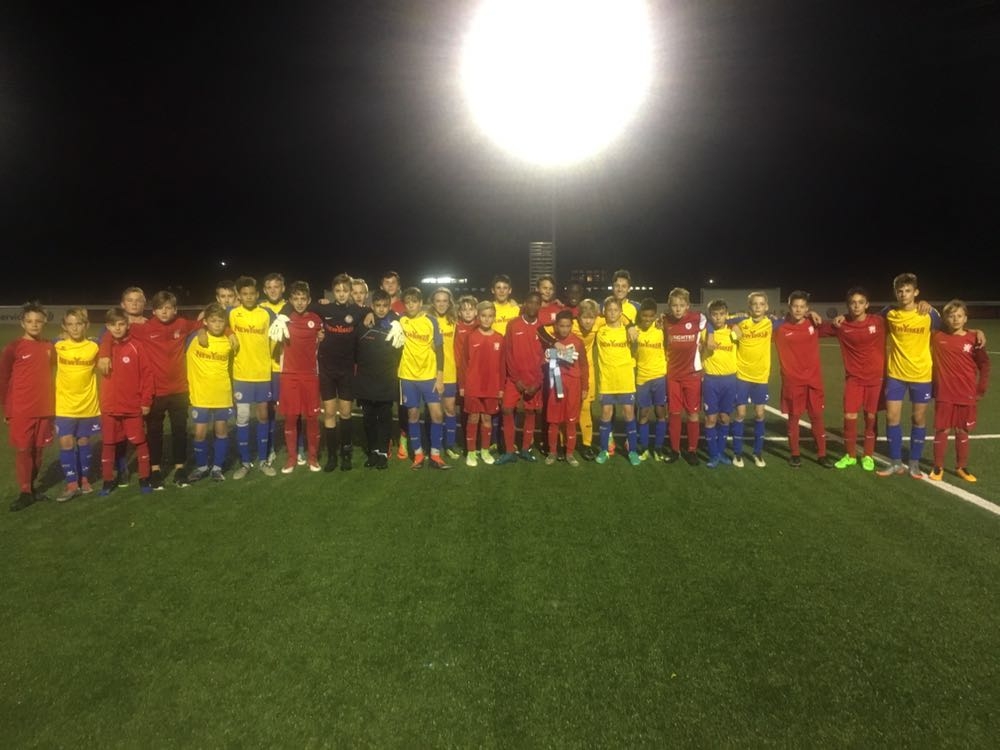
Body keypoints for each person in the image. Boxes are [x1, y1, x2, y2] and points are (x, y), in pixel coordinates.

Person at [125, 290, 203, 488]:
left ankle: (180, 468)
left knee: (180, 430)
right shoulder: (144, 328)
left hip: (179, 389)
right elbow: (111, 332)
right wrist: (104, 354)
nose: (164, 312)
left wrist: (224, 332)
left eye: (168, 308)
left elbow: (207, 323)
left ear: (175, 310)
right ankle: (155, 469)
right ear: (153, 310)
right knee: (154, 432)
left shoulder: (182, 324)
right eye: (160, 308)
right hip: (155, 391)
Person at [875, 272, 941, 478]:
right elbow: (867, 322)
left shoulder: (929, 314)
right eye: (900, 291)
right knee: (892, 416)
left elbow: (950, 328)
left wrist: (977, 332)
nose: (903, 294)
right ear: (895, 293)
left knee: (918, 417)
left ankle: (914, 462)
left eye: (908, 291)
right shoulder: (889, 313)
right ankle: (896, 462)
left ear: (916, 292)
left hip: (921, 374)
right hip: (896, 374)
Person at [820, 287, 886, 471]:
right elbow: (815, 328)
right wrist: (810, 314)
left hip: (875, 380)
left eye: (860, 302)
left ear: (867, 305)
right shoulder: (841, 325)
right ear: (848, 305)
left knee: (871, 417)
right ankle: (850, 455)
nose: (856, 306)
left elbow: (900, 314)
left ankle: (868, 456)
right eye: (853, 303)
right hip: (854, 379)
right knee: (849, 416)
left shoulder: (879, 322)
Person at [0, 302, 56, 511]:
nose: (34, 325)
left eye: (38, 321)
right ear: (22, 323)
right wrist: (6, 408)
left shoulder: (49, 347)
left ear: (44, 323)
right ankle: (24, 492)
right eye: (30, 321)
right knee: (24, 450)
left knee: (39, 450)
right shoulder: (13, 347)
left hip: (45, 408)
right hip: (21, 409)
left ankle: (32, 488)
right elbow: (3, 379)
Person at [929, 299, 990, 482]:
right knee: (942, 430)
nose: (955, 319)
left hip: (966, 393)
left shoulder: (974, 339)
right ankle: (937, 466)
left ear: (965, 318)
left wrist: (980, 389)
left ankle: (961, 467)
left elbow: (984, 365)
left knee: (963, 430)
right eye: (951, 316)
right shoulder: (936, 336)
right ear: (945, 319)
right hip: (944, 394)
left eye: (959, 316)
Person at [311, 272, 367, 472]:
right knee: (329, 413)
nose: (342, 294)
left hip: (346, 371)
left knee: (345, 412)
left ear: (350, 291)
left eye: (345, 290)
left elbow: (375, 311)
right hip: (327, 370)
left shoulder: (358, 311)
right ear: (332, 292)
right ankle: (332, 456)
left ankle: (346, 454)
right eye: (338, 290)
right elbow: (298, 306)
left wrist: (372, 314)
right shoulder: (324, 308)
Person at [772, 291, 835, 468]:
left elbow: (838, 326)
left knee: (817, 417)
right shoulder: (779, 328)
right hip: (793, 383)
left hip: (814, 382)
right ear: (789, 307)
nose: (798, 310)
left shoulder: (813, 324)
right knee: (794, 418)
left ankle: (822, 454)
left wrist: (839, 318)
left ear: (807, 308)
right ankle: (795, 454)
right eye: (795, 306)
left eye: (802, 307)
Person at [97, 307, 154, 495]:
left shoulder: (137, 347)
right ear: (107, 326)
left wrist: (146, 401)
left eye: (121, 324)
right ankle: (107, 480)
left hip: (132, 406)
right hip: (109, 406)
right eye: (113, 325)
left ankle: (144, 477)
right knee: (108, 443)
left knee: (140, 442)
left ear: (128, 325)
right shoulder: (103, 348)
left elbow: (147, 375)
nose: (117, 328)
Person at [268, 281, 324, 473]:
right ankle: (291, 458)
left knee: (312, 418)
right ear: (290, 300)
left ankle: (313, 458)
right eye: (296, 299)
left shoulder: (316, 320)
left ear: (308, 300)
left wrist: (322, 336)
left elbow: (323, 337)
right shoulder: (284, 319)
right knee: (291, 417)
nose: (300, 302)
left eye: (303, 299)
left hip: (310, 375)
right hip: (289, 375)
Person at [229, 275, 277, 478]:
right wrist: (227, 331)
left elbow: (283, 324)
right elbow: (211, 320)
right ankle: (245, 462)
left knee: (263, 415)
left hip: (262, 373)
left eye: (252, 293)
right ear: (239, 295)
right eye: (244, 294)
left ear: (257, 294)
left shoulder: (266, 313)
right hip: (241, 374)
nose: (248, 297)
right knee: (242, 417)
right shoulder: (232, 313)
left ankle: (264, 459)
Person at [398, 287, 451, 469]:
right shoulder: (400, 320)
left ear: (420, 303)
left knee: (437, 415)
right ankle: (419, 455)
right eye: (407, 302)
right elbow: (381, 317)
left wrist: (440, 377)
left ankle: (435, 455)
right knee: (413, 414)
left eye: (414, 301)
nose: (411, 305)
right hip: (407, 376)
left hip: (429, 376)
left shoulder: (431, 321)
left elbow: (440, 350)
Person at [52, 307, 101, 502]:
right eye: (70, 324)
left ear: (86, 325)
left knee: (83, 442)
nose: (74, 328)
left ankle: (85, 479)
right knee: (66, 442)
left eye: (79, 324)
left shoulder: (95, 346)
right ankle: (72, 483)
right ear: (64, 326)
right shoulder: (57, 345)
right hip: (64, 405)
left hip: (88, 404)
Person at [185, 303, 235, 482]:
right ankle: (202, 467)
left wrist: (230, 333)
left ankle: (217, 468)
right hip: (200, 395)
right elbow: (182, 329)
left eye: (221, 321)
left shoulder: (229, 342)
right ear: (205, 322)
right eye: (213, 321)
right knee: (199, 433)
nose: (217, 324)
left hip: (222, 393)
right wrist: (200, 329)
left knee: (221, 431)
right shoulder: (194, 338)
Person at [355, 289, 403, 469]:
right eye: (378, 306)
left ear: (389, 306)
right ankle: (373, 451)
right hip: (366, 379)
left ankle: (383, 452)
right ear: (372, 306)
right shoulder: (363, 324)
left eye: (385, 306)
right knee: (368, 418)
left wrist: (396, 320)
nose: (381, 309)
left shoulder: (396, 325)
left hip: (386, 379)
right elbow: (355, 350)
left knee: (384, 417)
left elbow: (400, 352)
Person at [497, 291, 545, 464]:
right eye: (530, 302)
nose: (533, 306)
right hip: (514, 379)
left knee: (530, 412)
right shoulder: (513, 324)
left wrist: (537, 382)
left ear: (540, 306)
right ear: (525, 303)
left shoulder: (542, 328)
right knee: (507, 409)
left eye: (537, 303)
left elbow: (545, 358)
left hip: (534, 380)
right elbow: (508, 353)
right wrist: (515, 378)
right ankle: (510, 450)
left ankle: (525, 449)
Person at [663, 287, 706, 465]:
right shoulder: (665, 321)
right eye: (674, 305)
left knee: (692, 414)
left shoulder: (698, 318)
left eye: (681, 305)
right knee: (674, 413)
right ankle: (675, 450)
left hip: (692, 375)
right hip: (673, 375)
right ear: (669, 306)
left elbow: (715, 322)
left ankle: (692, 450)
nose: (678, 309)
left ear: (688, 305)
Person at [594, 297, 640, 465]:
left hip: (625, 379)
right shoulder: (600, 330)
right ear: (604, 312)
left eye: (615, 310)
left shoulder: (629, 331)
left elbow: (636, 349)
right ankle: (604, 450)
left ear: (621, 312)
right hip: (607, 381)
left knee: (629, 413)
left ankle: (632, 450)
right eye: (609, 310)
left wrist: (631, 328)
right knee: (606, 414)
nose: (612, 313)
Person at [461, 301, 505, 466]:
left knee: (487, 419)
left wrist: (501, 388)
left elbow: (502, 365)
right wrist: (462, 386)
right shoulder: (471, 337)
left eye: (490, 316)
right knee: (473, 418)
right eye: (483, 316)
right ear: (478, 317)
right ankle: (471, 452)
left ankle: (485, 450)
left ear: (494, 317)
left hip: (491, 386)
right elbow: (464, 363)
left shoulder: (499, 338)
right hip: (473, 386)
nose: (487, 319)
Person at [543, 309, 588, 467]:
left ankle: (569, 453)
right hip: (556, 384)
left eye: (567, 326)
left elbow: (584, 365)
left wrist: (585, 387)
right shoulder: (550, 340)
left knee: (571, 421)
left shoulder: (577, 342)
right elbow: (540, 331)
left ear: (571, 326)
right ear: (556, 326)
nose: (564, 329)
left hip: (573, 385)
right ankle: (552, 452)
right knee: (554, 421)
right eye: (561, 326)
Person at [700, 299, 738, 468]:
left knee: (724, 417)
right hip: (711, 381)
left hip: (730, 380)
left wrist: (734, 323)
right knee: (711, 418)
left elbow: (747, 320)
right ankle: (713, 454)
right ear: (710, 316)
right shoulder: (704, 333)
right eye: (714, 314)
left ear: (726, 315)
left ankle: (721, 452)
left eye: (721, 314)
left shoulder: (733, 332)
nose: (718, 318)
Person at [634, 298, 667, 461]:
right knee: (643, 414)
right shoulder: (635, 331)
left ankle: (658, 448)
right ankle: (644, 447)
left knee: (660, 412)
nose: (647, 319)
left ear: (655, 315)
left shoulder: (661, 328)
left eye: (650, 316)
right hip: (642, 378)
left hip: (659, 376)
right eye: (644, 316)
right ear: (640, 315)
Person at [430, 287, 462, 459]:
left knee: (449, 409)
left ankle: (449, 444)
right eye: (438, 301)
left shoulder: (454, 320)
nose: (441, 304)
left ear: (450, 303)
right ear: (432, 302)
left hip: (449, 372)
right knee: (434, 412)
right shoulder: (427, 320)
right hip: (430, 373)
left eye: (444, 301)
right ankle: (434, 444)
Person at [260, 272, 288, 465]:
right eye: (269, 287)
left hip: (288, 367)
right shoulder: (260, 309)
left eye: (276, 287)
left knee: (293, 409)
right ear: (264, 290)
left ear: (283, 288)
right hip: (268, 368)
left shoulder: (291, 306)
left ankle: (298, 447)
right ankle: (269, 447)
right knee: (269, 410)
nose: (273, 290)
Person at [453, 294, 480, 452]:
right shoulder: (456, 326)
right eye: (464, 309)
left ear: (476, 311)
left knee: (479, 409)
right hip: (462, 374)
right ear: (459, 312)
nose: (468, 312)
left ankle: (479, 441)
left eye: (471, 309)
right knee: (465, 409)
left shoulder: (480, 326)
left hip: (478, 374)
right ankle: (466, 441)